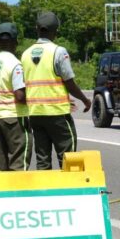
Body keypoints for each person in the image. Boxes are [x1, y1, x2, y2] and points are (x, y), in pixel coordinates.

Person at [21, 11, 91, 170]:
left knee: (43, 159)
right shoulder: (58, 51)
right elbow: (70, 83)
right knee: (68, 158)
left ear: (37, 29)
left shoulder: (25, 54)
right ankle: (67, 193)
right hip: (57, 114)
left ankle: (45, 193)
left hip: (35, 114)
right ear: (56, 31)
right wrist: (85, 100)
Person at [0, 22, 32, 171]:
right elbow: (19, 95)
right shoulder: (15, 64)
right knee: (19, 162)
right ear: (16, 41)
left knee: (0, 165)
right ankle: (18, 193)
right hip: (15, 118)